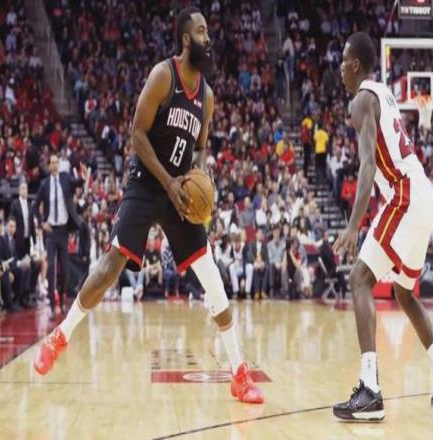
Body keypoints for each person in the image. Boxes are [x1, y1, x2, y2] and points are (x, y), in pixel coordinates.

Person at [33, 7, 263, 404]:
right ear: (186, 39)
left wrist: (199, 176)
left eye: (208, 31)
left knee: (212, 278)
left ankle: (239, 373)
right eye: (201, 31)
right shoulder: (163, 76)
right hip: (147, 183)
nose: (208, 38)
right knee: (110, 266)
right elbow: (136, 135)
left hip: (180, 192)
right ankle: (60, 336)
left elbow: (200, 148)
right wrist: (168, 182)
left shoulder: (206, 96)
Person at [332, 32, 433, 421]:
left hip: (405, 194)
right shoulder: (384, 93)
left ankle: (370, 390)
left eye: (343, 61)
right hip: (423, 193)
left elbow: (368, 165)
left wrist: (353, 225)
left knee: (359, 279)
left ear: (356, 64)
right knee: (404, 293)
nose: (340, 68)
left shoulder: (361, 100)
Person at [34, 155, 82, 320]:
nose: (54, 165)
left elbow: (77, 183)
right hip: (51, 232)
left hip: (63, 231)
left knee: (65, 271)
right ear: (49, 165)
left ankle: (61, 299)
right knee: (51, 269)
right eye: (52, 162)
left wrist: (82, 176)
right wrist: (42, 223)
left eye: (56, 162)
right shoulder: (44, 184)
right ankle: (52, 306)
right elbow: (35, 206)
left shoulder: (65, 178)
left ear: (59, 165)